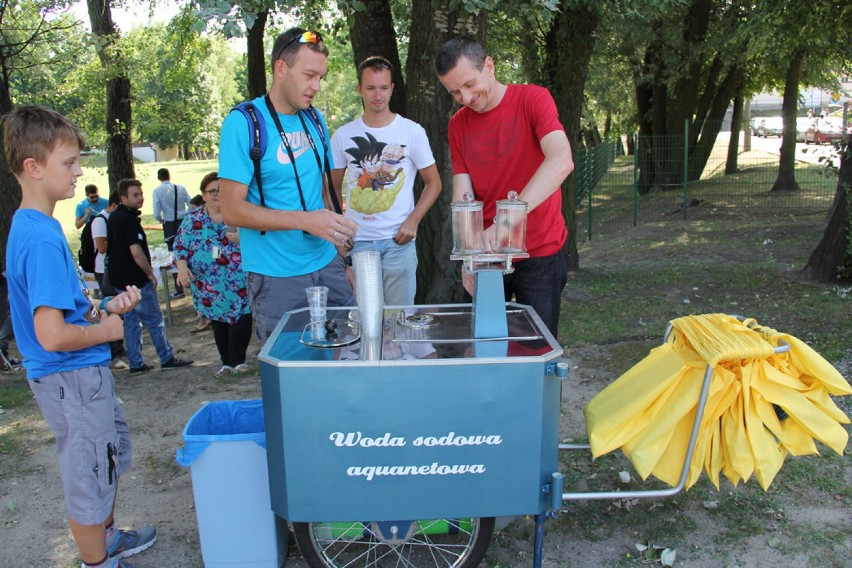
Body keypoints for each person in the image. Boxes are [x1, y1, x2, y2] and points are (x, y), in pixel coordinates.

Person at [2, 104, 154, 568]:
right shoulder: (43, 238)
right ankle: (98, 561)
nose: (79, 171)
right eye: (69, 162)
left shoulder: (35, 227)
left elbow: (60, 312)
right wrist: (106, 331)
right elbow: (50, 335)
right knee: (88, 474)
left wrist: (104, 308)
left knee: (104, 462)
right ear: (33, 167)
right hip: (70, 380)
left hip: (79, 379)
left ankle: (106, 540)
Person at [218, 27, 357, 341]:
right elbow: (231, 210)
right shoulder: (244, 123)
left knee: (347, 358)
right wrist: (304, 220)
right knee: (292, 373)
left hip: (327, 265)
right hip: (277, 277)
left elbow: (323, 192)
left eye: (321, 77)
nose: (316, 86)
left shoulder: (314, 119)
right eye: (309, 75)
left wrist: (341, 259)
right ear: (281, 69)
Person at [435, 37, 574, 338]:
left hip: (539, 253)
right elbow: (463, 194)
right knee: (480, 345)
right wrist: (468, 256)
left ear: (489, 66)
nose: (466, 97)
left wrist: (505, 223)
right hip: (486, 257)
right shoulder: (458, 124)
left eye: (470, 84)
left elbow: (561, 160)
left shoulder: (533, 100)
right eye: (455, 91)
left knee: (537, 351)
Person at [330, 55, 442, 305]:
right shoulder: (343, 135)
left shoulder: (412, 132)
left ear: (392, 88)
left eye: (383, 87)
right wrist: (339, 228)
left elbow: (434, 183)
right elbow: (331, 187)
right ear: (359, 89)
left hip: (398, 242)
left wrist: (413, 221)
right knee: (366, 318)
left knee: (400, 318)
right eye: (370, 88)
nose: (377, 95)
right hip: (358, 242)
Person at [107, 178, 193, 373]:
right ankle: (166, 356)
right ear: (123, 198)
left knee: (131, 322)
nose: (140, 198)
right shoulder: (128, 220)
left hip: (120, 279)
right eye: (135, 195)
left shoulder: (114, 216)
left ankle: (136, 362)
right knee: (154, 320)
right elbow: (136, 251)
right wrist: (149, 274)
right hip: (135, 279)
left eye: (141, 194)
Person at [175, 172, 252, 376]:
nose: (217, 195)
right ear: (203, 194)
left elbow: (261, 241)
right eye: (212, 191)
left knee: (241, 318)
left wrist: (242, 239)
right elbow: (180, 247)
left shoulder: (240, 214)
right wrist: (182, 269)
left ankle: (239, 360)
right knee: (218, 321)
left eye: (221, 190)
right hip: (208, 283)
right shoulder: (193, 219)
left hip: (237, 279)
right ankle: (226, 362)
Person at [91, 191, 127, 370]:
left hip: (114, 269)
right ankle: (113, 352)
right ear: (114, 205)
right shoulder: (100, 220)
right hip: (103, 271)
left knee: (118, 309)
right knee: (109, 309)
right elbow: (102, 247)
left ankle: (119, 348)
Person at [151, 168, 191, 298]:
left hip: (169, 224)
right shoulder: (180, 188)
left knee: (173, 256)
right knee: (188, 250)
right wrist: (186, 215)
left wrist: (161, 220)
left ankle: (179, 287)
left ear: (159, 177)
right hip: (182, 221)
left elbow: (156, 211)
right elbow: (190, 203)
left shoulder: (157, 191)